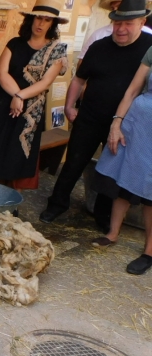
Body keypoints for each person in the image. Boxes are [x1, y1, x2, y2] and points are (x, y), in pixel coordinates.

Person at [40, 0, 152, 227]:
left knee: (110, 172)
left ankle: (102, 216)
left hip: (126, 123)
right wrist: (70, 106)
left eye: (128, 24)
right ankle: (57, 205)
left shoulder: (149, 48)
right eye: (117, 23)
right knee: (73, 163)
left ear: (142, 22)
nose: (121, 29)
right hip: (90, 116)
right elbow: (80, 79)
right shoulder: (99, 46)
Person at [0, 0, 68, 190]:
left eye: (47, 20)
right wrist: (17, 95)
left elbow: (45, 82)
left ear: (52, 25)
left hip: (29, 112)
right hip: (1, 106)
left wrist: (21, 97)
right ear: (31, 20)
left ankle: (6, 199)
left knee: (15, 156)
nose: (40, 24)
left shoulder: (56, 52)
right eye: (38, 18)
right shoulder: (15, 43)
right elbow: (2, 73)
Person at [90, 43, 152, 275]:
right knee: (125, 176)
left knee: (151, 192)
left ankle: (149, 252)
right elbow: (132, 90)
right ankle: (113, 233)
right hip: (139, 122)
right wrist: (117, 122)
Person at [78, 0, 152, 65]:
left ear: (142, 23)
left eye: (119, 6)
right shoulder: (99, 35)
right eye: (113, 8)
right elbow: (82, 64)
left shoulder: (149, 37)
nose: (116, 10)